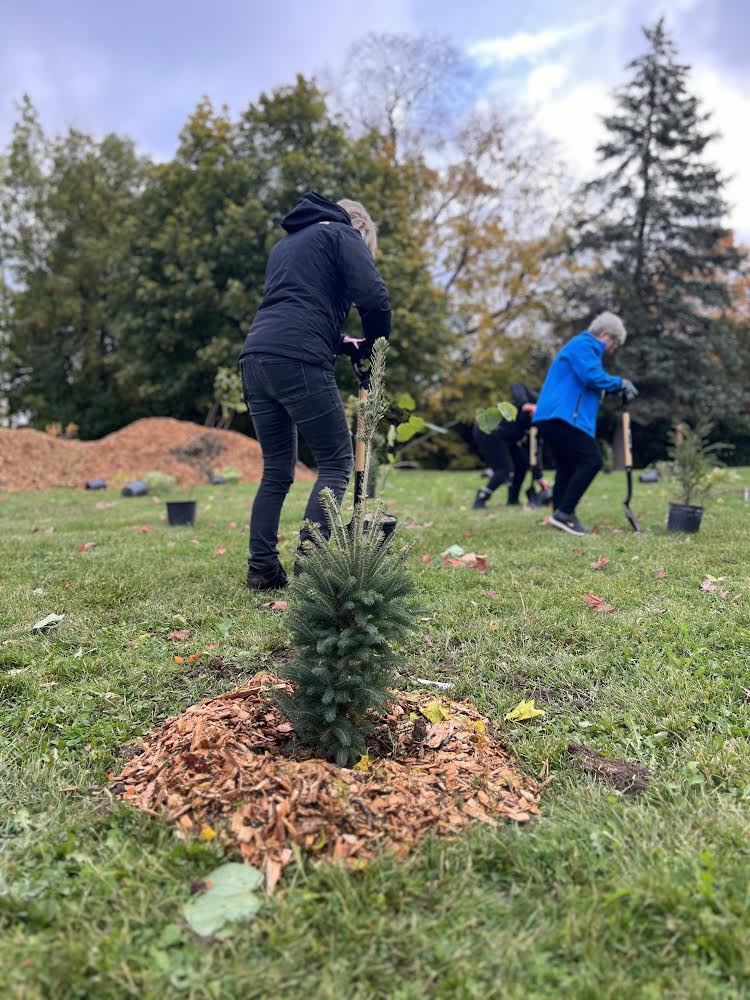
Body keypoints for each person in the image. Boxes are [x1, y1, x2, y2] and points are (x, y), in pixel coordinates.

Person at [238, 191, 391, 590]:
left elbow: (298, 306)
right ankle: (311, 564)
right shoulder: (343, 235)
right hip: (298, 359)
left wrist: (344, 344)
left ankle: (263, 571)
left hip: (255, 358)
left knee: (275, 471)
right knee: (337, 462)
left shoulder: (286, 245)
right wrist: (377, 348)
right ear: (360, 227)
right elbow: (374, 298)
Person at [532, 311, 637, 535]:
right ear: (606, 335)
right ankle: (565, 513)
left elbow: (586, 384)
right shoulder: (584, 345)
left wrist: (611, 389)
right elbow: (592, 376)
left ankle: (560, 515)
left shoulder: (581, 348)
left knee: (567, 467)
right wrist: (619, 383)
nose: (612, 349)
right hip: (562, 416)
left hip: (551, 416)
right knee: (591, 461)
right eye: (614, 344)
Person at [473, 382, 552, 509]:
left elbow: (534, 450)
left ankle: (513, 499)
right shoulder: (535, 400)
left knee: (522, 463)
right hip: (489, 430)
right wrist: (525, 404)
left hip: (505, 437)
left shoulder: (541, 423)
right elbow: (517, 385)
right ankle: (481, 498)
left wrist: (539, 478)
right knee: (505, 469)